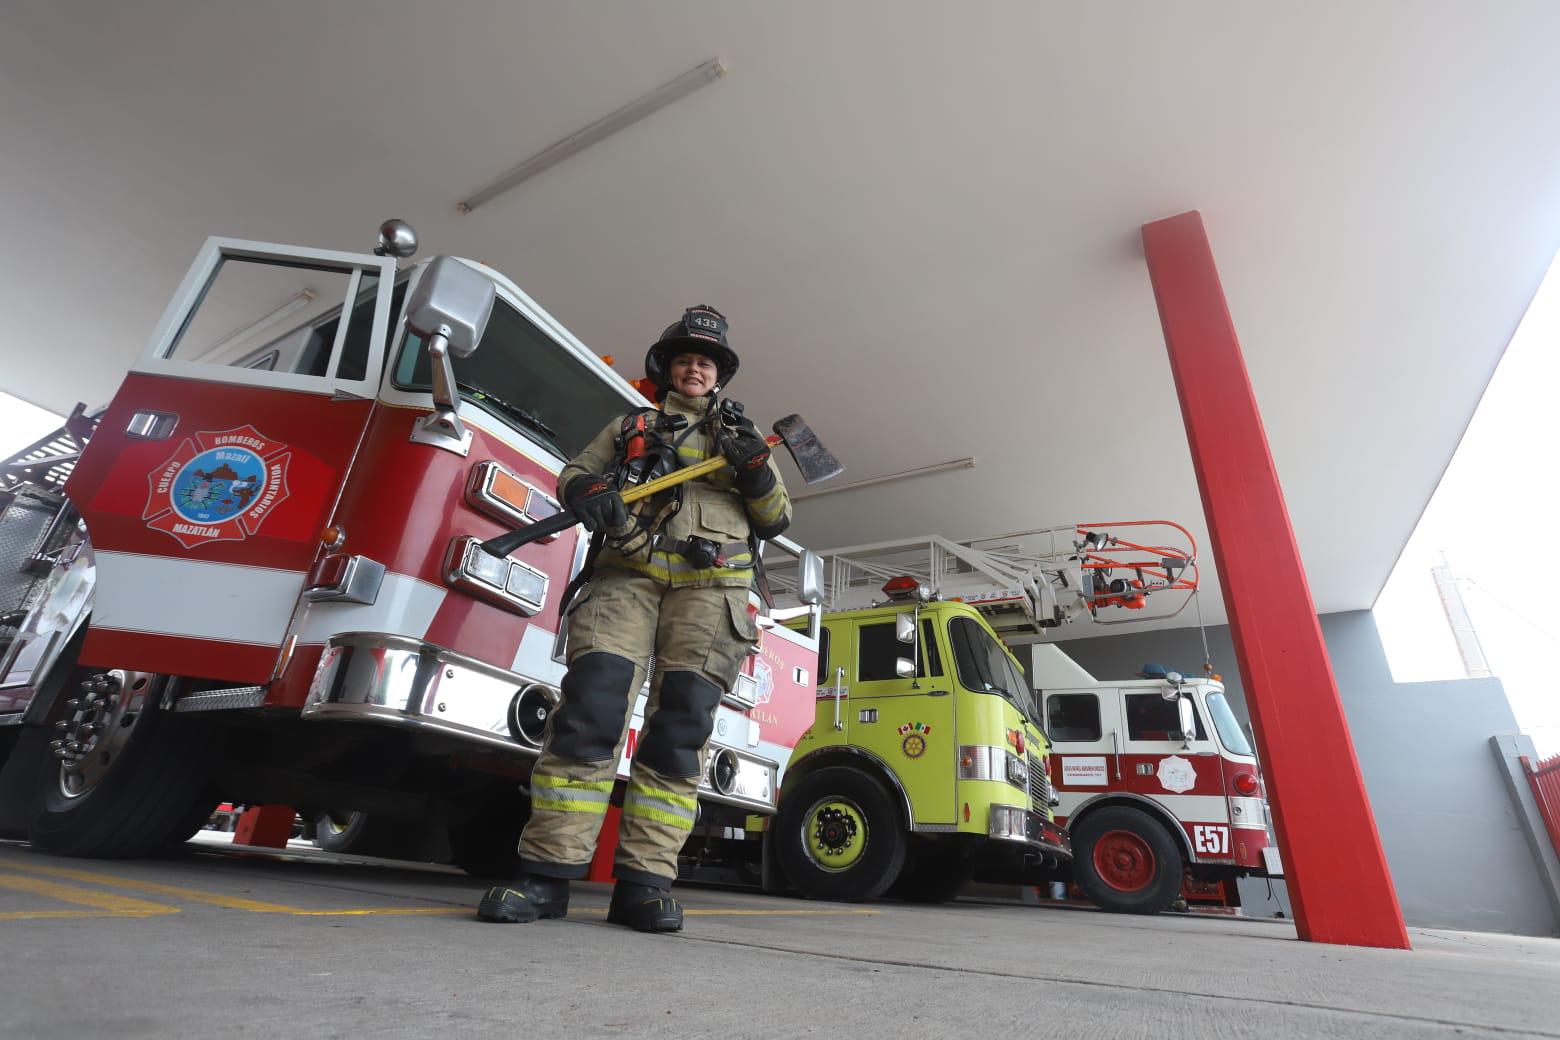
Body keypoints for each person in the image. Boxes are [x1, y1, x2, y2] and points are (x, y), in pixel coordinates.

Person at [477, 306, 791, 932]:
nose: (695, 367)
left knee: (678, 735)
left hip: (711, 592)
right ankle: (545, 876)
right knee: (588, 715)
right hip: (627, 579)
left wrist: (753, 467)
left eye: (706, 360)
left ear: (719, 373)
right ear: (668, 369)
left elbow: (777, 517)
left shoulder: (747, 437)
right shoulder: (628, 427)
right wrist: (589, 495)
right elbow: (575, 474)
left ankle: (645, 888)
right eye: (685, 358)